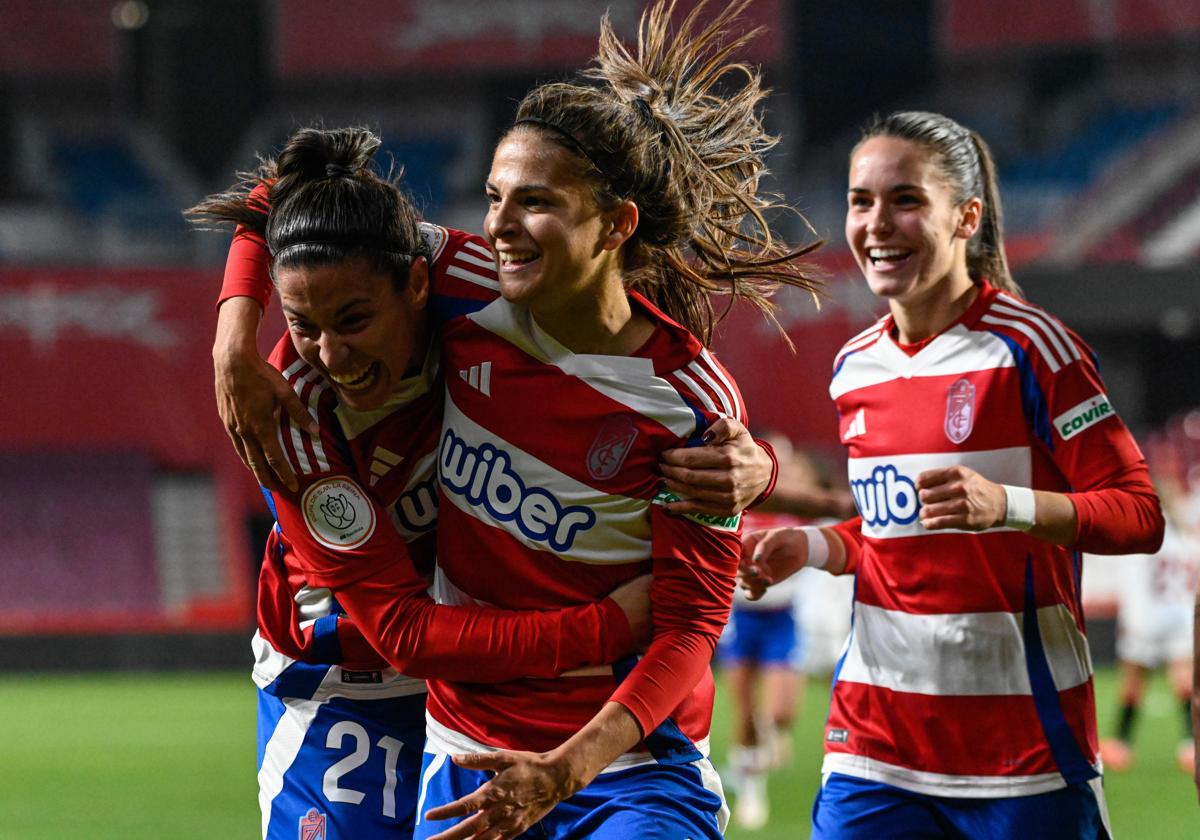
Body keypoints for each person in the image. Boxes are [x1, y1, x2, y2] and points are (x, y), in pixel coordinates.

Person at [188, 127, 665, 840]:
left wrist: (749, 459)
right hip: (342, 677)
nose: (331, 355)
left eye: (355, 321)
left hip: (482, 678)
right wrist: (604, 627)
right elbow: (405, 633)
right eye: (303, 326)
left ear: (416, 285)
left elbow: (620, 333)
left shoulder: (471, 280)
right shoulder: (290, 416)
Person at [741, 110, 1164, 839]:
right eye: (860, 200)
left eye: (906, 200)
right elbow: (894, 528)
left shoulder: (1033, 349)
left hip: (1022, 753)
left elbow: (1139, 515)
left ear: (967, 216)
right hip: (874, 747)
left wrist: (1010, 503)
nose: (877, 223)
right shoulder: (855, 366)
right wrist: (809, 547)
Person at [719, 436, 854, 830]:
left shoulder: (801, 508)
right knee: (743, 711)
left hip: (783, 618)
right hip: (743, 619)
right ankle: (751, 787)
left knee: (781, 710)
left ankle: (768, 738)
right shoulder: (742, 502)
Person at [1097, 483, 1198, 775]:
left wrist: (1129, 623)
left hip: (1147, 619)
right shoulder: (1184, 540)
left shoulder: (1145, 537)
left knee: (1133, 683)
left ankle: (1121, 744)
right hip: (1179, 617)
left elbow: (1133, 584)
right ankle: (1191, 745)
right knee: (1184, 682)